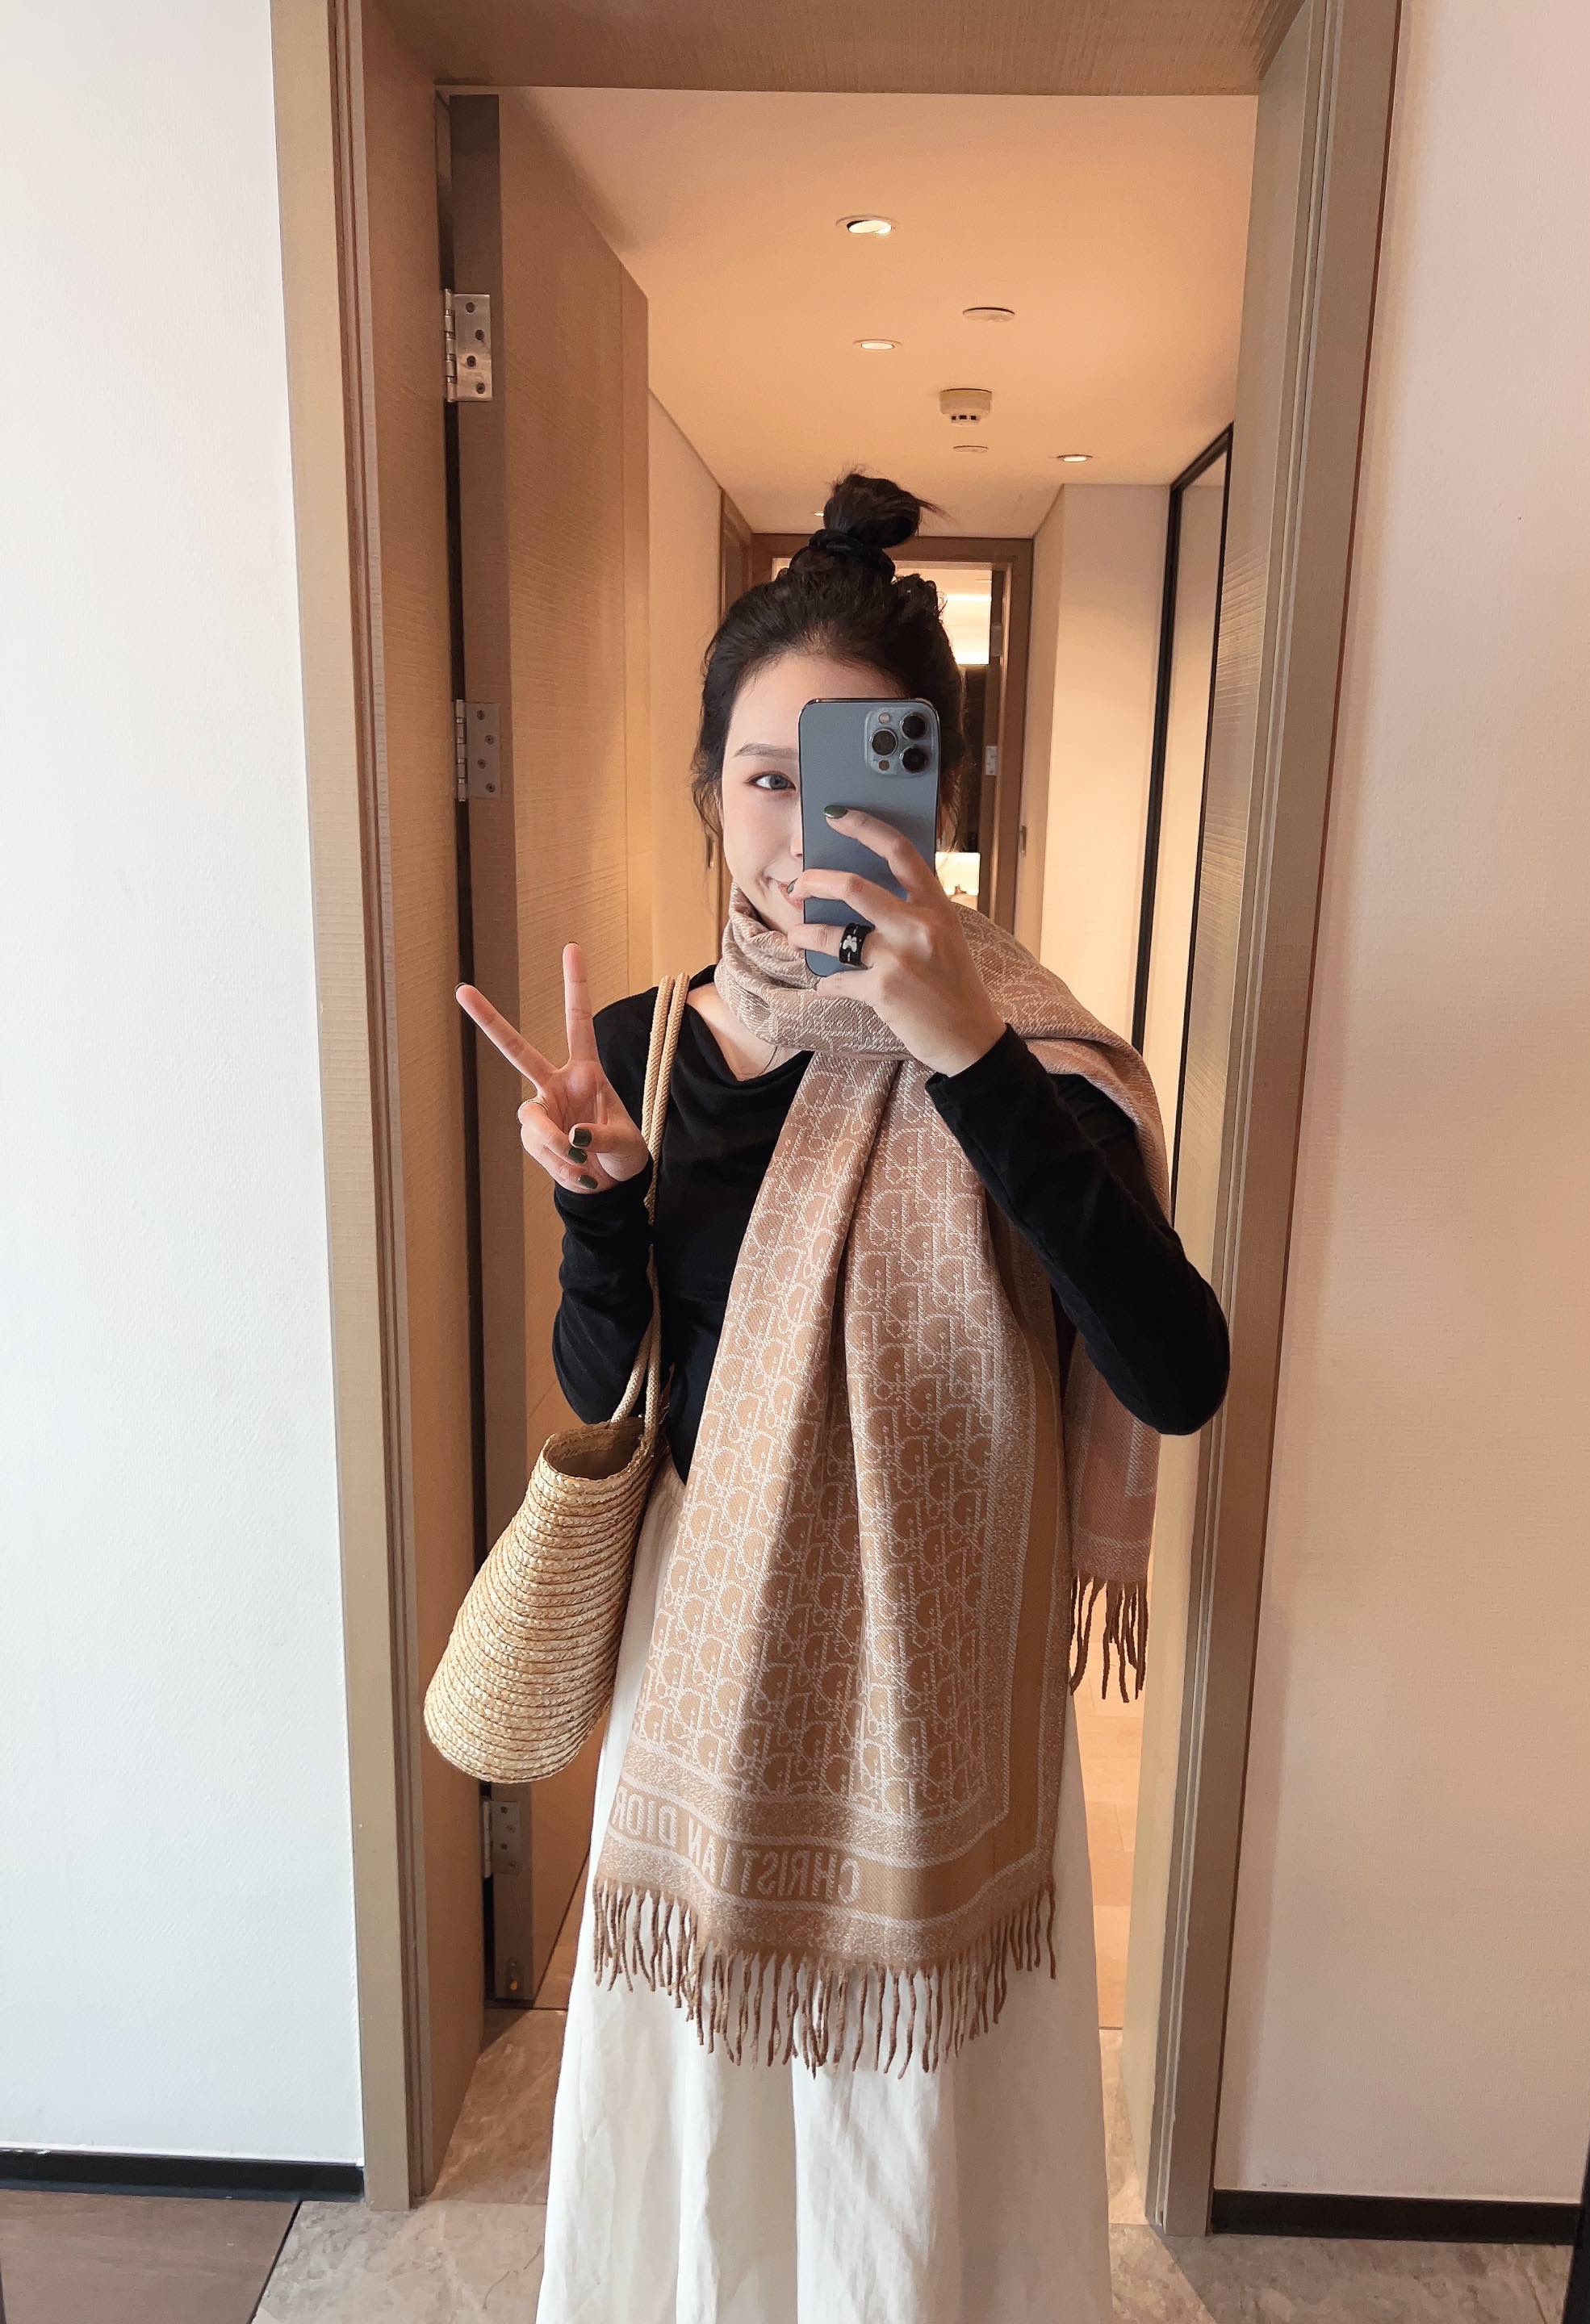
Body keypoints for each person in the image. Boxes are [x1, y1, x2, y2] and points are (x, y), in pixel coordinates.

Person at [456, 472, 1229, 2324]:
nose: (799, 827)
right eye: (761, 777)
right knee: (709, 2139)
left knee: (908, 2155)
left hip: (939, 1703)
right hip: (698, 1686)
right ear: (709, 792)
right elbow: (610, 1398)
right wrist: (600, 1214)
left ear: (935, 793)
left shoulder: (1038, 1057)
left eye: (852, 773)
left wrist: (967, 1056)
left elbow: (1177, 1368)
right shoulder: (643, 1045)